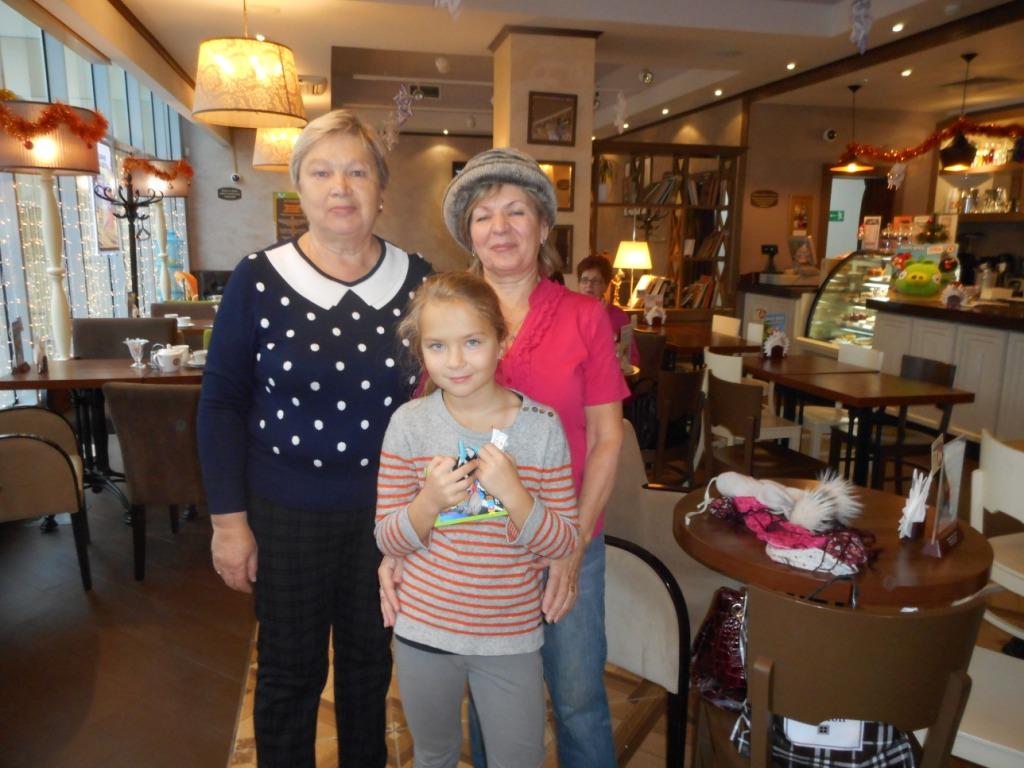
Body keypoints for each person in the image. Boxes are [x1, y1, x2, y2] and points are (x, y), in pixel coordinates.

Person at [197, 109, 431, 768]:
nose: (340, 187)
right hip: (285, 514)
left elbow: (443, 396)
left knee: (368, 669)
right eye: (322, 172)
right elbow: (220, 405)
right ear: (299, 187)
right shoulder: (258, 278)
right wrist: (228, 525)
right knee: (289, 674)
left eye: (357, 171)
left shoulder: (418, 279)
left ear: (381, 188)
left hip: (387, 517)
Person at [380, 147, 629, 767]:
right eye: (484, 215)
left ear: (543, 226)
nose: (500, 227)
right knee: (496, 702)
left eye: (516, 211)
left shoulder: (585, 316)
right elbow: (421, 445)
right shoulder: (451, 314)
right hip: (471, 553)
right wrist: (398, 548)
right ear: (469, 233)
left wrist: (574, 544)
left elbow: (608, 436)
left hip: (565, 528)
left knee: (576, 694)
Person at [375, 271, 578, 767]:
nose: (456, 360)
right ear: (421, 351)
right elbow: (388, 538)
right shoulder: (408, 424)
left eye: (472, 342)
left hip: (510, 637)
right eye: (437, 346)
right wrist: (428, 502)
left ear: (501, 342)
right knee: (435, 755)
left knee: (519, 759)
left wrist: (515, 494)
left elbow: (563, 543)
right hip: (424, 631)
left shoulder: (542, 428)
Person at [576, 253, 639, 366]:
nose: (589, 285)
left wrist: (620, 355)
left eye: (596, 281)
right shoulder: (570, 313)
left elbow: (632, 358)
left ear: (606, 285)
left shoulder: (618, 315)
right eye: (584, 280)